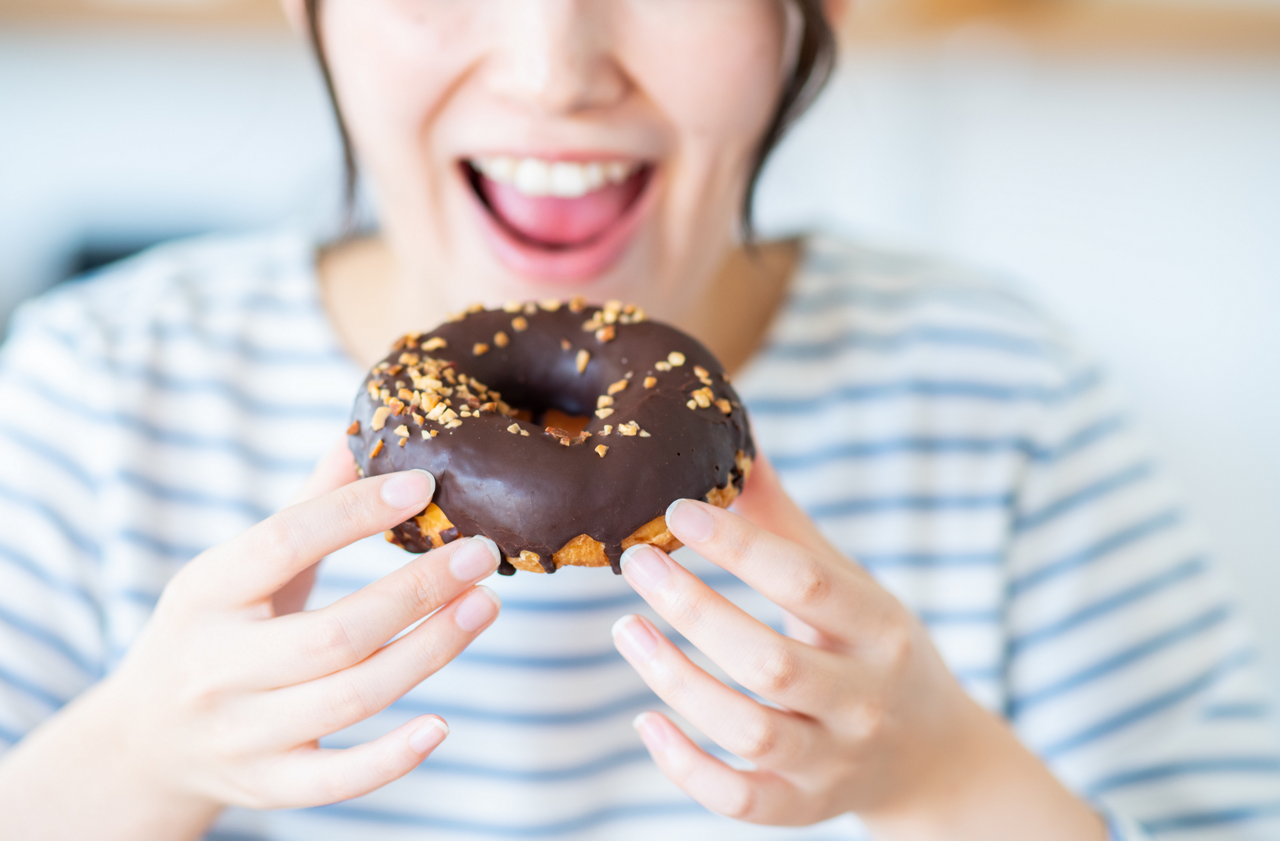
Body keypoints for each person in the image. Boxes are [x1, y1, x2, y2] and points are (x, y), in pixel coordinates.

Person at [0, 1, 1276, 838]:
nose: (555, 70)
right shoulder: (101, 391)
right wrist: (137, 755)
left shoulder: (1002, 396)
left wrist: (943, 777)